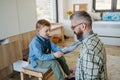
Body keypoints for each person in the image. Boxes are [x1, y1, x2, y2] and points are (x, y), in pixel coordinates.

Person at [68, 10, 108, 80]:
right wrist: (77, 70)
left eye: (73, 27)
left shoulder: (88, 50)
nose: (73, 30)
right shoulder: (95, 39)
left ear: (83, 26)